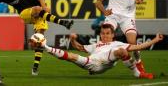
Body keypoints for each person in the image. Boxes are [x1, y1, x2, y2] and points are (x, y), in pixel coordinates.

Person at [0, 0, 74, 75]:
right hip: (24, 14)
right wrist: (42, 8)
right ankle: (63, 22)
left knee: (39, 38)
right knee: (37, 9)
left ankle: (35, 66)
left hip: (39, 13)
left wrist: (44, 6)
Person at [30, 23, 163, 79]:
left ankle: (137, 73)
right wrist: (72, 39)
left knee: (122, 51)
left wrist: (155, 40)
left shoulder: (117, 43)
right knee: (72, 56)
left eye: (107, 33)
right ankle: (45, 47)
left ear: (112, 35)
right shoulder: (96, 45)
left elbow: (138, 47)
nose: (105, 36)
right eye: (103, 33)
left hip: (103, 64)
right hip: (92, 64)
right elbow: (80, 48)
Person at [95, 0, 149, 74]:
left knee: (132, 42)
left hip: (128, 16)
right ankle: (99, 62)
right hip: (112, 15)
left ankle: (139, 62)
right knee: (105, 38)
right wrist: (104, 12)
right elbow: (98, 1)